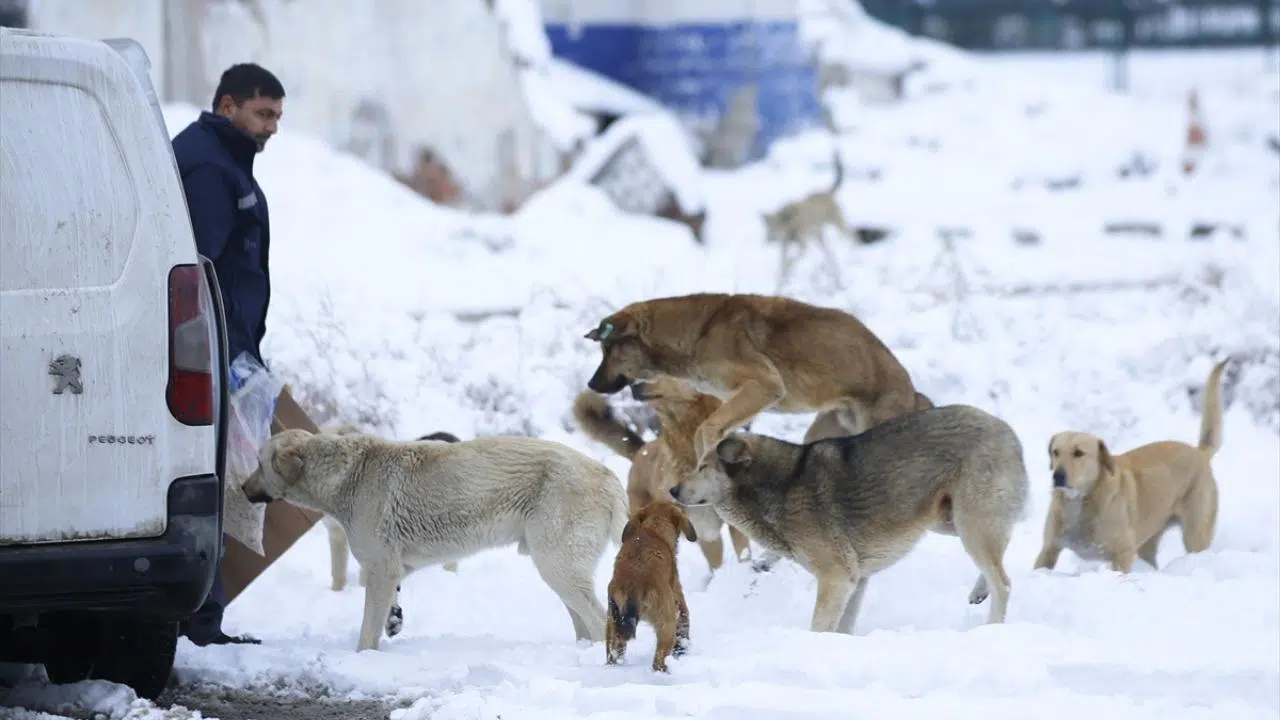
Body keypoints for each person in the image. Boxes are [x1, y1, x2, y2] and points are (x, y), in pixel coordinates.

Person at [171, 62, 285, 646]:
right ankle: (201, 621)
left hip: (228, 344)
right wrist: (233, 354)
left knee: (219, 476)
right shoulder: (209, 168)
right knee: (210, 476)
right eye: (263, 114)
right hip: (212, 348)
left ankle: (202, 615)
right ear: (227, 107)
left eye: (277, 117)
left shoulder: (221, 159)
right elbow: (203, 269)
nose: (271, 128)